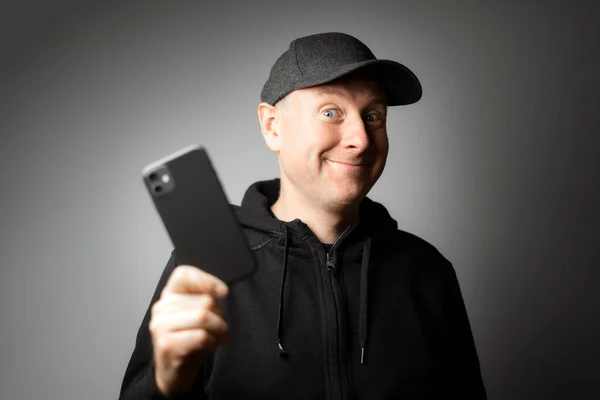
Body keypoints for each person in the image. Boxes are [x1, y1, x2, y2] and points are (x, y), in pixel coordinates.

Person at [119, 32, 487, 399]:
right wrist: (164, 383)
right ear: (272, 126)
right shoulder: (204, 264)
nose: (360, 138)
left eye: (373, 115)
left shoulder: (427, 272)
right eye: (331, 113)